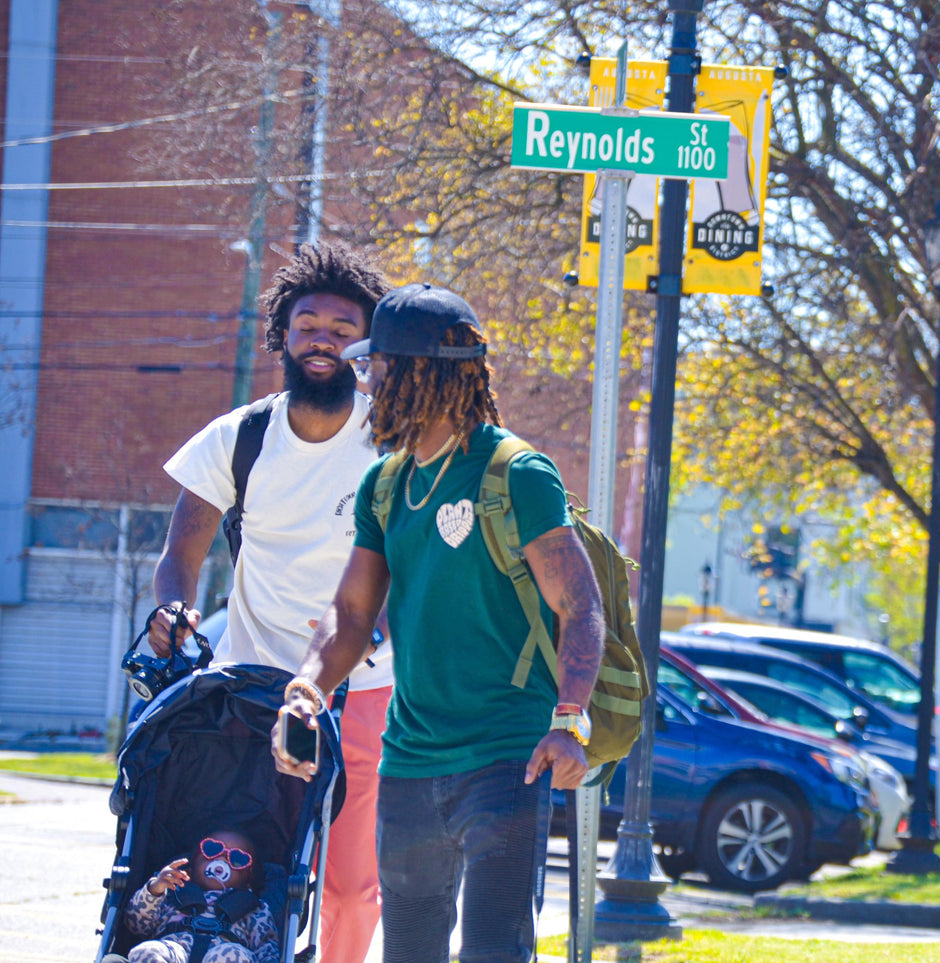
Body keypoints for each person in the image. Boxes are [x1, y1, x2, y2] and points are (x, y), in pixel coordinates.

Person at [271, 282, 604, 963]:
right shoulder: (386, 484)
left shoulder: (516, 473)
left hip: (507, 756)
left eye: (377, 365)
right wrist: (308, 685)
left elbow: (581, 606)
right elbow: (353, 612)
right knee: (411, 952)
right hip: (411, 760)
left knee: (491, 950)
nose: (366, 381)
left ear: (416, 371)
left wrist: (568, 718)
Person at [146, 240, 391, 963]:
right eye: (308, 323)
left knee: (349, 889)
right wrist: (172, 610)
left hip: (362, 689)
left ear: (366, 346)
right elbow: (177, 558)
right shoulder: (240, 436)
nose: (324, 338)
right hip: (247, 693)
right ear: (282, 336)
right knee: (250, 873)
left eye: (343, 328)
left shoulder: (391, 440)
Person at [122, 829, 280, 963]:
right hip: (175, 949)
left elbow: (267, 947)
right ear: (191, 866)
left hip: (223, 952)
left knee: (234, 953)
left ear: (248, 880)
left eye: (238, 859)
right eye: (212, 849)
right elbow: (136, 926)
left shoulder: (253, 908)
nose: (222, 859)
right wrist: (154, 890)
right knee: (148, 950)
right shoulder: (172, 891)